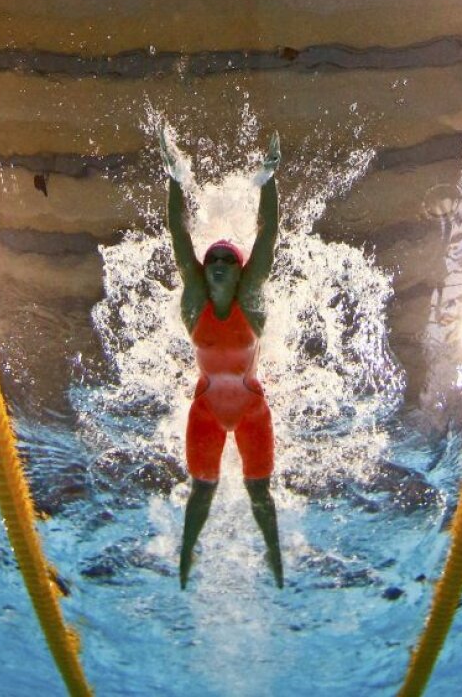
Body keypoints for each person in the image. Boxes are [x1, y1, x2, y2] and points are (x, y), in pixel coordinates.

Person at [160, 127, 284, 589]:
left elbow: (269, 232)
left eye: (226, 260)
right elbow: (179, 232)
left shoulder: (250, 299)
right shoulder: (194, 300)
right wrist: (175, 175)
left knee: (259, 492)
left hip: (253, 410)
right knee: (202, 491)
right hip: (207, 411)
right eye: (212, 257)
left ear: (239, 271)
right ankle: (186, 558)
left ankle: (275, 558)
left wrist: (268, 179)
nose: (215, 262)